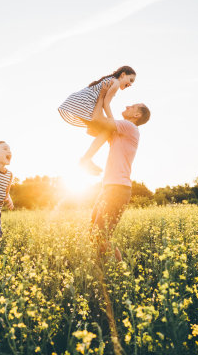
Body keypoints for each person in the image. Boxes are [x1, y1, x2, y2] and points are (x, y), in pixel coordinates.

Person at [87, 101, 150, 261]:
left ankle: (120, 273)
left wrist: (103, 97)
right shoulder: (120, 131)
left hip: (118, 189)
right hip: (108, 189)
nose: (128, 106)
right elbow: (94, 128)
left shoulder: (129, 128)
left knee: (100, 235)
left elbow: (99, 119)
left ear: (137, 115)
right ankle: (108, 270)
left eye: (133, 107)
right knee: (94, 233)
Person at [58, 66, 137, 175]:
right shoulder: (116, 83)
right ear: (123, 75)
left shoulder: (111, 80)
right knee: (108, 130)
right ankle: (86, 159)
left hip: (78, 101)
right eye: (130, 80)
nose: (130, 84)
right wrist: (112, 122)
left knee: (103, 131)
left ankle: (87, 158)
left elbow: (103, 103)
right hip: (84, 104)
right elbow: (106, 104)